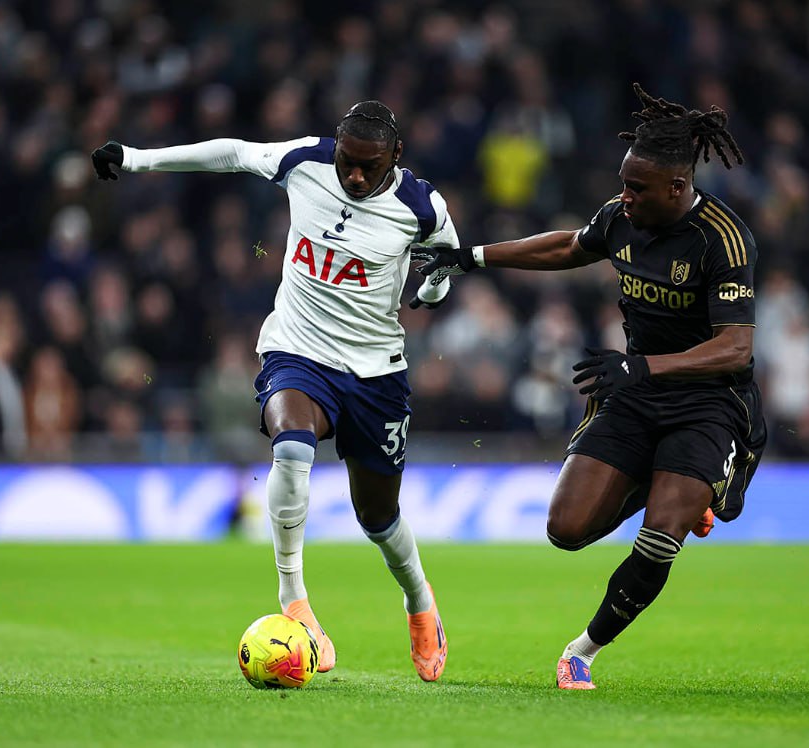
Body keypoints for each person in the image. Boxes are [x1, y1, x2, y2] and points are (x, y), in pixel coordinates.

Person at [415, 84, 766, 690]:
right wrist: (471, 257)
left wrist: (644, 367)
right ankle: (673, 486)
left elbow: (736, 346)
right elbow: (569, 247)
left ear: (677, 187)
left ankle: (582, 651)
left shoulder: (723, 240)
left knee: (660, 535)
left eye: (637, 188)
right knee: (566, 529)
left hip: (709, 401)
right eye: (623, 184)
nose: (624, 197)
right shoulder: (621, 216)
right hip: (636, 391)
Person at [91, 100, 454, 682]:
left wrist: (432, 288)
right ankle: (295, 601)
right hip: (297, 350)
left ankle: (418, 600)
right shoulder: (305, 161)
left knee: (378, 517)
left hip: (375, 373)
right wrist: (136, 159)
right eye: (347, 162)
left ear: (396, 156)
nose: (355, 176)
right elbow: (233, 152)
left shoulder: (423, 207)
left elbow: (444, 270)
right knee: (291, 445)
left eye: (369, 166)